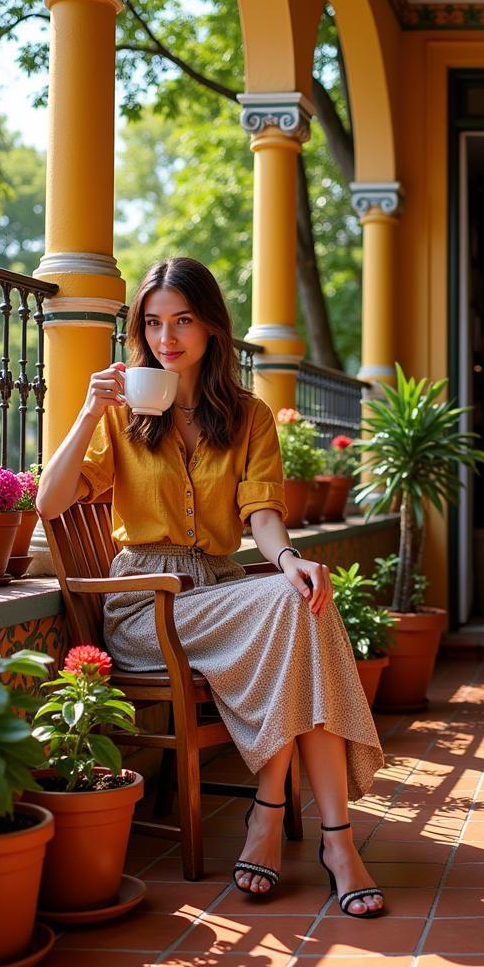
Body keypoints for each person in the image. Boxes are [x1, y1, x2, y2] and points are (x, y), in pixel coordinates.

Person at [37, 257, 385, 918]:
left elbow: (263, 518)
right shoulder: (123, 416)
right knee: (294, 613)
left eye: (184, 321)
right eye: (154, 322)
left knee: (303, 598)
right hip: (149, 605)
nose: (167, 337)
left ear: (213, 328)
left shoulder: (248, 416)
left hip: (224, 597)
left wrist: (291, 563)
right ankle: (325, 836)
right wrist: (87, 412)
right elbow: (49, 505)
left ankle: (290, 819)